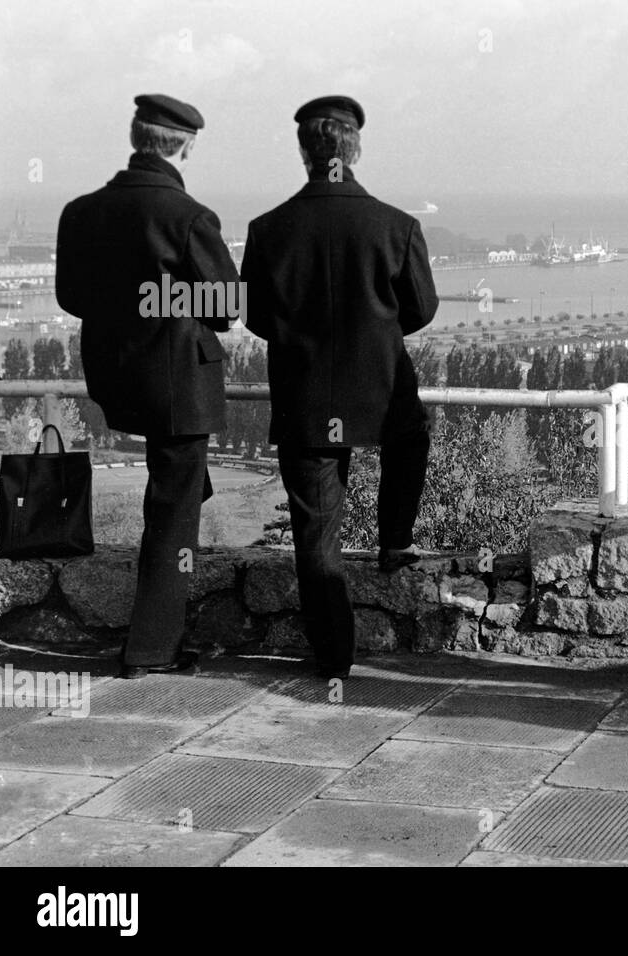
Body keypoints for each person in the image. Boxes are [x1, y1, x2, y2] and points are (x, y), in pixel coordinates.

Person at [241, 95, 438, 680]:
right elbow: (421, 308)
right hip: (379, 391)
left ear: (305, 152)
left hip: (305, 398)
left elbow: (255, 317)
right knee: (411, 436)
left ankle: (334, 656)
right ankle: (394, 539)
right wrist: (375, 333)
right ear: (354, 149)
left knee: (315, 533)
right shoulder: (397, 226)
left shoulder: (267, 229)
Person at [56, 94, 235, 679]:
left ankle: (152, 638)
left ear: (137, 138)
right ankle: (152, 648)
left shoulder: (80, 212)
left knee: (175, 498)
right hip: (179, 385)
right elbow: (227, 306)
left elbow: (72, 298)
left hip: (118, 378)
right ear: (184, 145)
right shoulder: (188, 217)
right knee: (173, 514)